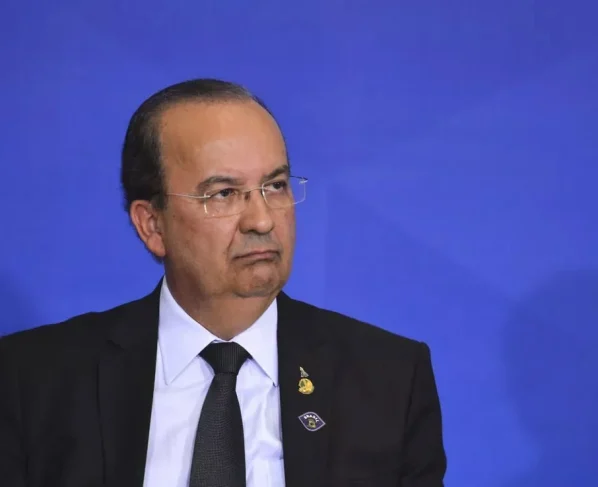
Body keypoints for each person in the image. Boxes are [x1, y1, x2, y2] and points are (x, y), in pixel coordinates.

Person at [0, 79, 446, 487]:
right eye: (224, 194)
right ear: (152, 224)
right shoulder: (31, 381)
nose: (262, 220)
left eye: (275, 185)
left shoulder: (389, 381)